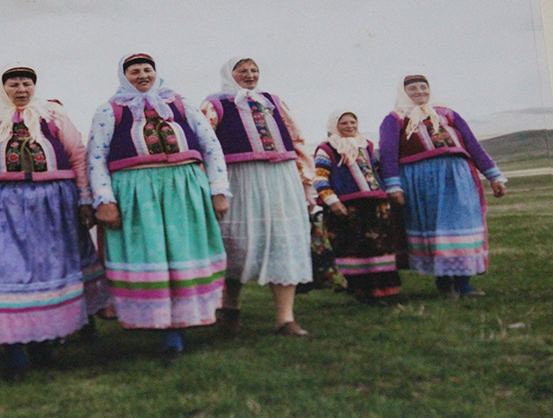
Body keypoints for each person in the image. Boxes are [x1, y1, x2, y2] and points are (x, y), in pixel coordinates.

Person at [0, 63, 106, 380]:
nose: (21, 89)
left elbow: (77, 154)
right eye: (13, 84)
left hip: (52, 204)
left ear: (34, 86)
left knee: (49, 270)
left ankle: (44, 348)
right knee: (6, 273)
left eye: (26, 83)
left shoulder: (53, 114)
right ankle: (14, 354)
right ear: (3, 87)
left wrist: (85, 199)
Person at [88, 53, 230, 359]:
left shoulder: (179, 103)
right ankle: (163, 328)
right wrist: (105, 200)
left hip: (185, 187)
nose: (142, 75)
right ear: (124, 77)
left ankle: (181, 324)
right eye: (134, 71)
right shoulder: (110, 110)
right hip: (137, 193)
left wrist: (219, 189)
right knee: (151, 253)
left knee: (183, 251)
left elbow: (211, 145)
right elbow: (96, 158)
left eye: (147, 69)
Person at [200, 57, 314, 336]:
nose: (250, 75)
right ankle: (230, 306)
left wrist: (305, 182)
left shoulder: (272, 101)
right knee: (235, 241)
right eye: (242, 71)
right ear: (230, 75)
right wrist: (212, 187)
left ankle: (285, 319)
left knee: (283, 240)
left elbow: (296, 138)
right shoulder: (215, 105)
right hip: (238, 178)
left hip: (280, 176)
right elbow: (203, 144)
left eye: (254, 70)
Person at [378, 75, 507, 297]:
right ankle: (445, 282)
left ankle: (464, 284)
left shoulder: (447, 113)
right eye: (413, 88)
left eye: (423, 87)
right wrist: (393, 186)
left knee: (462, 224)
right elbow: (388, 153)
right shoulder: (395, 118)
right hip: (421, 180)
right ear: (403, 92)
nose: (419, 91)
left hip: (458, 176)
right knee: (437, 227)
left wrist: (494, 176)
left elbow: (472, 145)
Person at [314, 110, 401, 304]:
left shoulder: (366, 145)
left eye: (353, 122)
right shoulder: (327, 149)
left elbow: (377, 170)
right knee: (355, 248)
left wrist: (386, 192)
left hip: (374, 204)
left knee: (379, 246)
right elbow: (320, 178)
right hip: (348, 207)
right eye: (344, 123)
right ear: (335, 125)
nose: (349, 126)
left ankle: (386, 290)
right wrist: (332, 201)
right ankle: (363, 292)